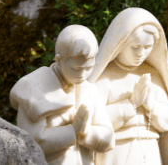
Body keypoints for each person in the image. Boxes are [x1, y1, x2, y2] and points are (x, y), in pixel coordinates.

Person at [10, 24, 114, 165]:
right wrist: (72, 131)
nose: (82, 75)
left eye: (89, 68)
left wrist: (86, 132)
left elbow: (109, 139)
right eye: (76, 68)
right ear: (58, 59)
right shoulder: (33, 88)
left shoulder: (89, 90)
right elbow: (31, 143)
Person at [88, 7, 168, 165]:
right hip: (115, 151)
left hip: (149, 150)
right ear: (120, 43)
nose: (141, 53)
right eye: (135, 47)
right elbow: (92, 123)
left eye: (147, 47)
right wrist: (131, 104)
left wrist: (150, 105)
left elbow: (166, 123)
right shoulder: (104, 77)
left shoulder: (153, 76)